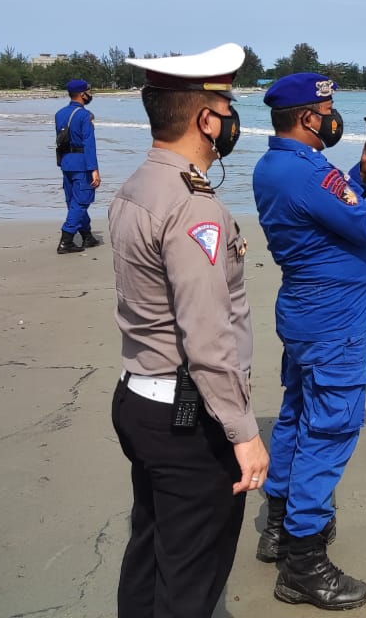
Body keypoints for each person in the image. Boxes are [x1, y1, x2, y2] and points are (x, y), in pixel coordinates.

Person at [108, 42, 268, 618]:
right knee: (190, 581)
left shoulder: (136, 187)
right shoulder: (193, 206)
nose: (231, 120)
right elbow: (207, 336)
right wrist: (244, 431)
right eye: (226, 106)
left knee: (150, 553)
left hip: (138, 398)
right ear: (206, 118)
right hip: (188, 419)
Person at [252, 72, 366, 610]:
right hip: (334, 324)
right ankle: (304, 564)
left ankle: (278, 526)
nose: (332, 116)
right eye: (327, 109)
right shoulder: (302, 173)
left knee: (298, 417)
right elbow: (365, 225)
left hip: (308, 317)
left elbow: (330, 211)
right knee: (330, 429)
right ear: (306, 117)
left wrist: (360, 175)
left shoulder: (282, 166)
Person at [54, 78, 101, 254]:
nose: (90, 95)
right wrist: (94, 169)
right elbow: (89, 144)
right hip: (82, 164)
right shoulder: (85, 115)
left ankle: (87, 236)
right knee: (81, 202)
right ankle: (66, 241)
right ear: (82, 94)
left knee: (73, 201)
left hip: (66, 162)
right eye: (89, 91)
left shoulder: (59, 113)